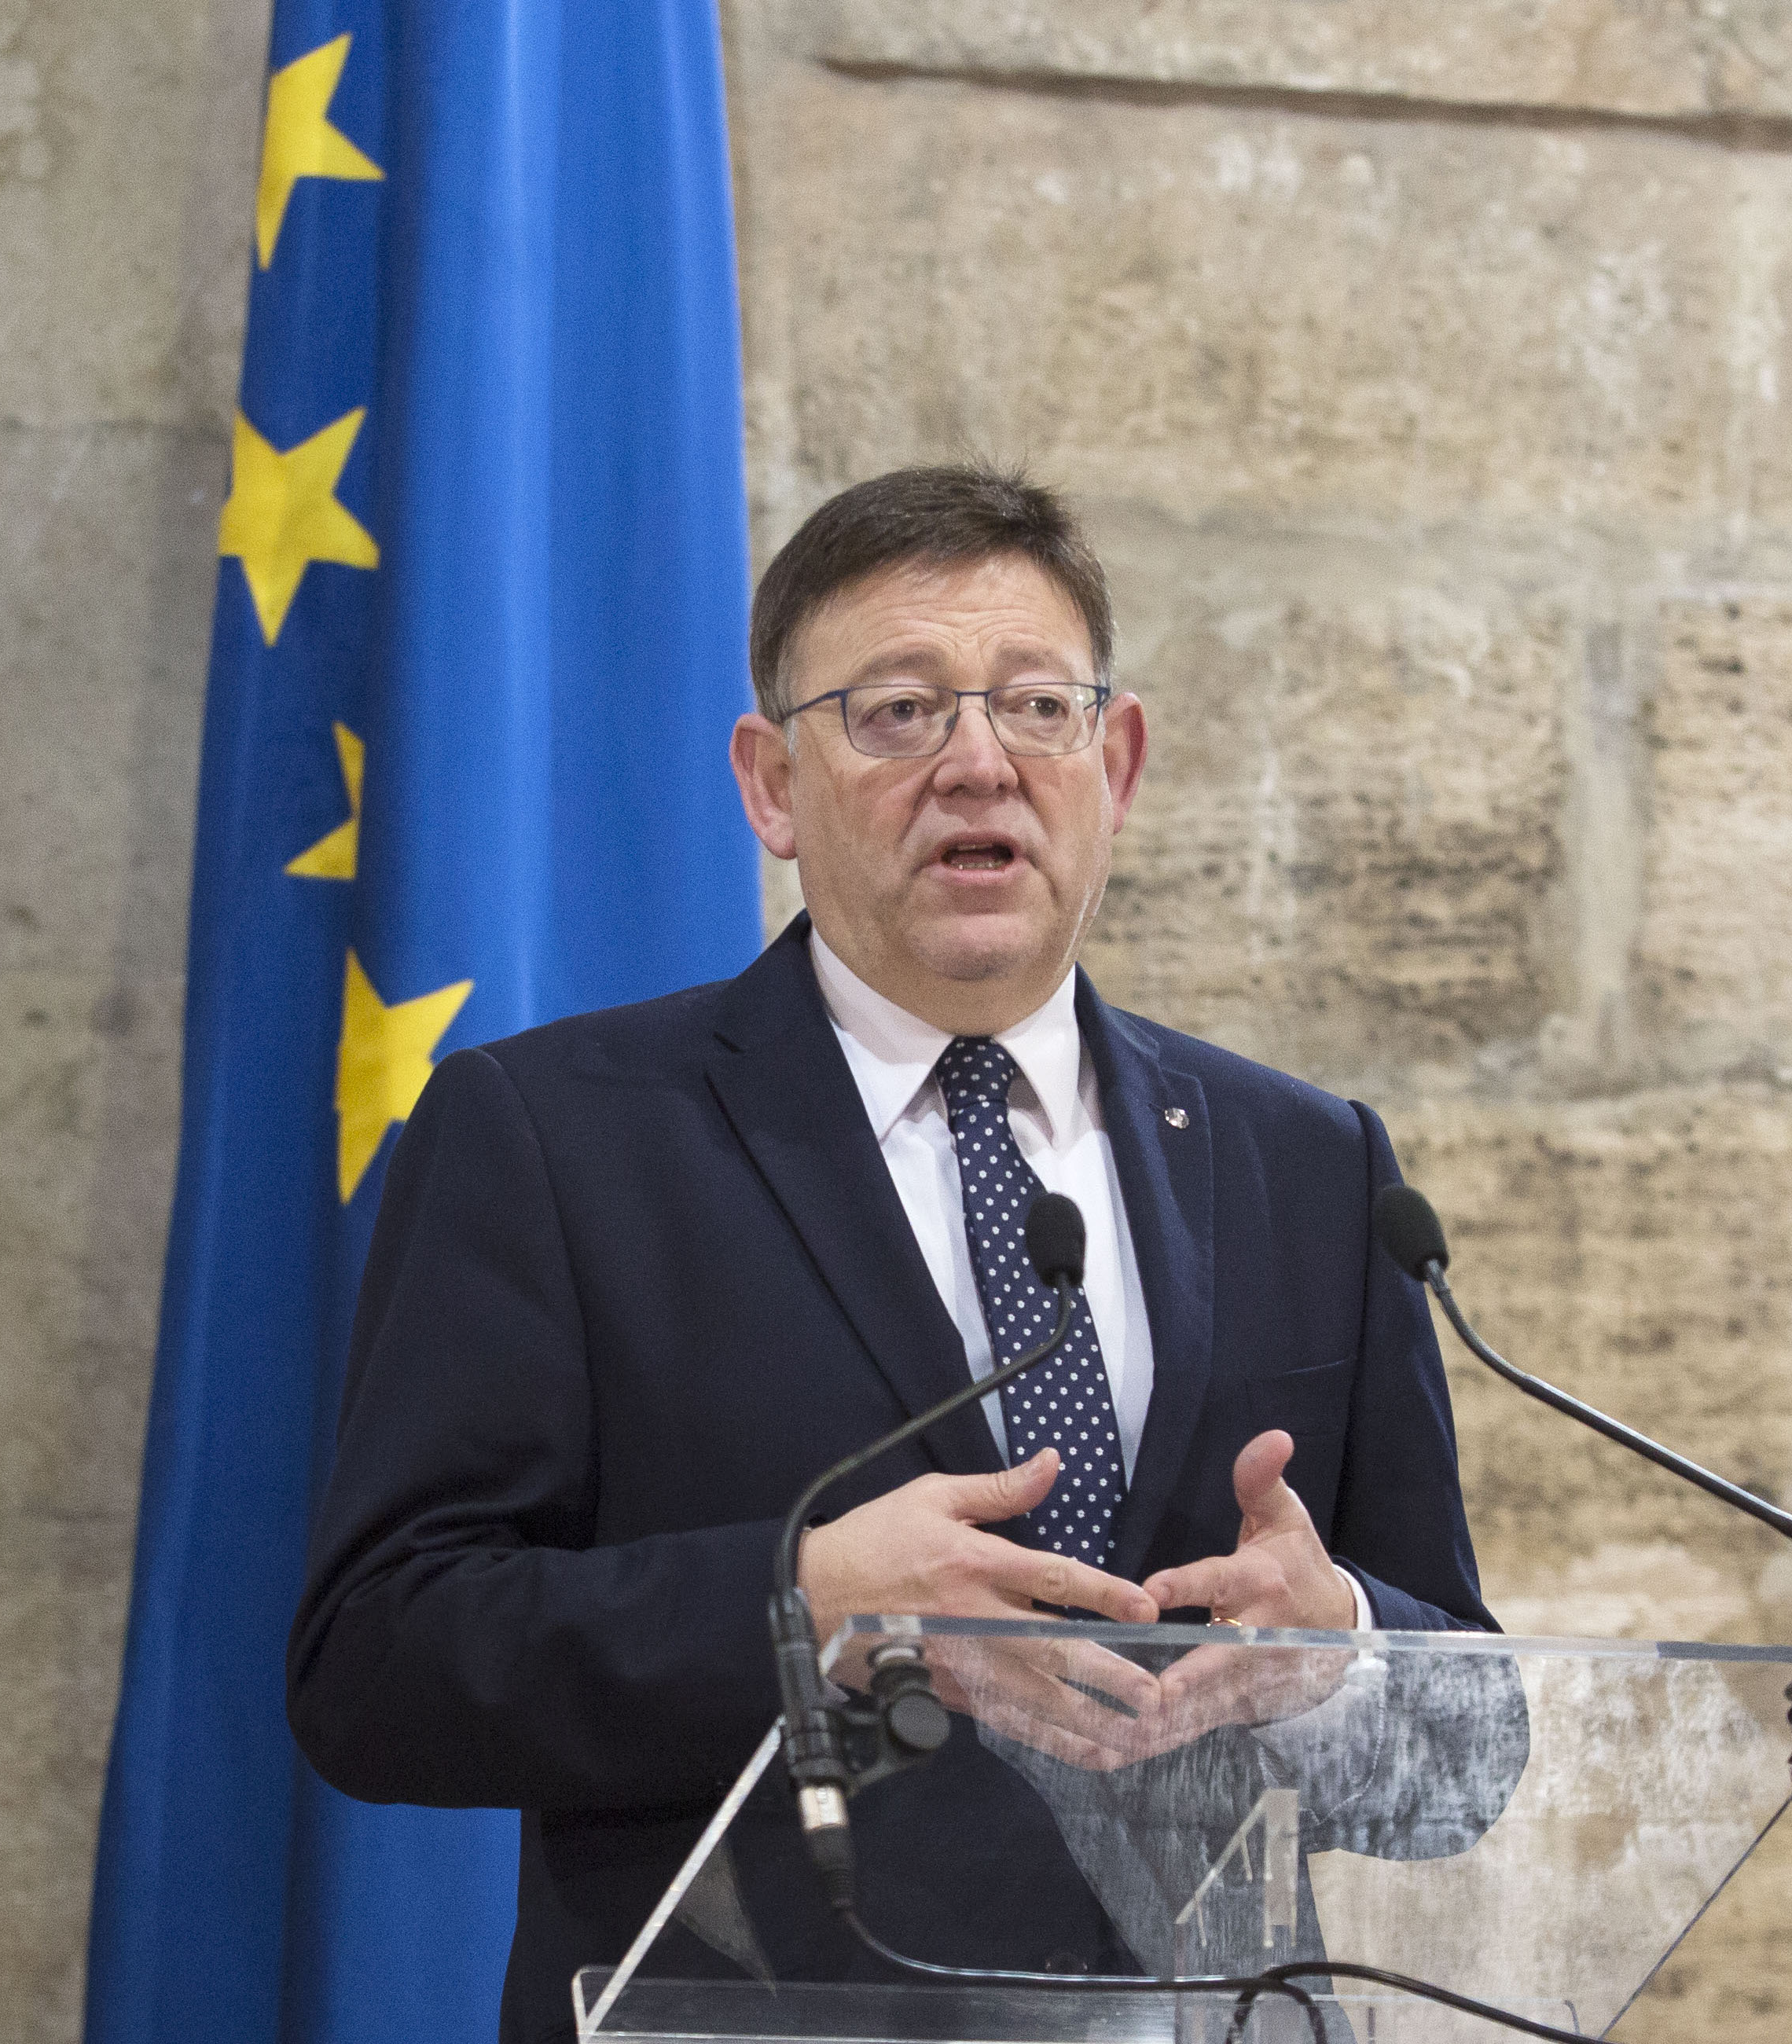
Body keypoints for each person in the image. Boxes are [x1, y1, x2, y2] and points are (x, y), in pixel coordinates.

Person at [284, 466, 1496, 2039]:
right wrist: (805, 1607)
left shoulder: (1309, 1165)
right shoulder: (559, 1135)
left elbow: (1468, 1744)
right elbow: (377, 1666)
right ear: (771, 786)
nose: (976, 763)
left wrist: (1338, 1649)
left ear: (1111, 762)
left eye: (1034, 707)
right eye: (895, 712)